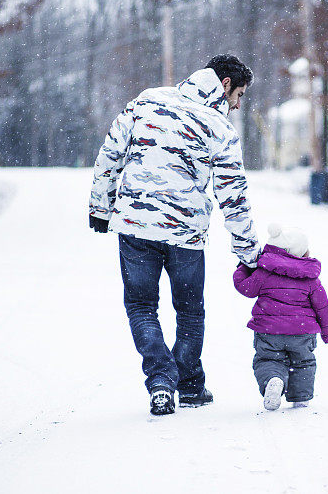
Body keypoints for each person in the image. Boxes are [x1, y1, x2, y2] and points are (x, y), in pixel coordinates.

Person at [88, 54, 260, 415]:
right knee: (189, 311)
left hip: (135, 225)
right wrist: (247, 250)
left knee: (140, 306)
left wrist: (100, 207)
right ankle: (190, 385)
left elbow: (110, 154)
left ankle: (161, 381)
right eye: (239, 95)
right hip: (186, 233)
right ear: (224, 85)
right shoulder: (219, 127)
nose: (239, 104)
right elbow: (233, 194)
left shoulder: (147, 99)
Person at [233, 224, 328, 411]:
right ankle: (301, 397)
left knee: (268, 360)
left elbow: (246, 288)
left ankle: (273, 379)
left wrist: (243, 267)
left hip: (269, 331)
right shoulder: (310, 278)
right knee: (304, 362)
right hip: (302, 332)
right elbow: (323, 308)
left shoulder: (264, 272)